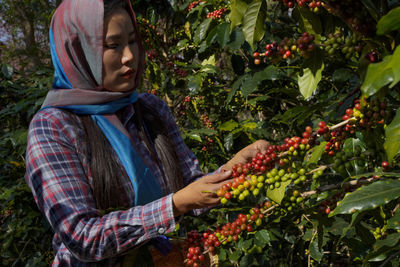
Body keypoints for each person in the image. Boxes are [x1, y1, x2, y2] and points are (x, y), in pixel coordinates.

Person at [24, 0, 269, 266]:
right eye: (112, 45)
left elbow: (192, 189)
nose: (130, 55)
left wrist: (233, 170)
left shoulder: (150, 110)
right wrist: (174, 205)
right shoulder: (53, 127)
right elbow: (82, 237)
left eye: (132, 41)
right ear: (78, 51)